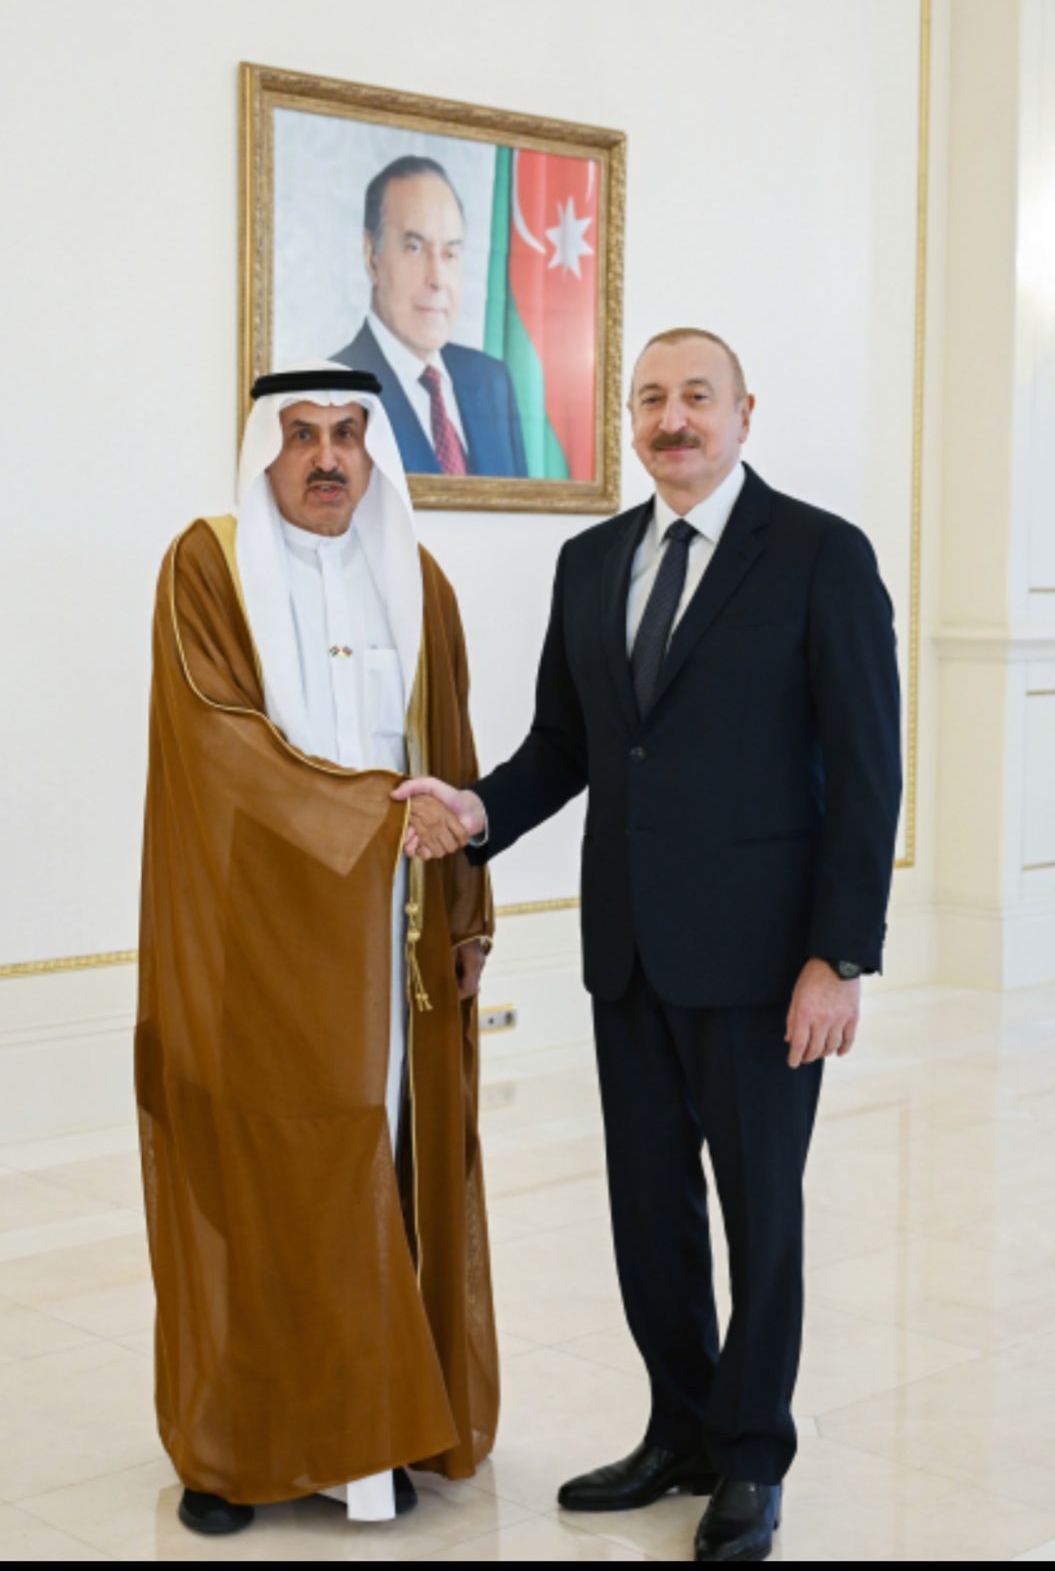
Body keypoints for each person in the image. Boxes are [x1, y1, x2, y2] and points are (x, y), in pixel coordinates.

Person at [393, 328, 902, 1563]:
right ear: (628, 420)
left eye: (695, 397)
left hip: (766, 965)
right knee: (648, 1213)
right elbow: (566, 745)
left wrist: (836, 956)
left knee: (759, 1220)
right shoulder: (591, 561)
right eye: (649, 399)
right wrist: (475, 811)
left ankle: (750, 1455)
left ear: (743, 412)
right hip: (627, 952)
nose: (671, 419)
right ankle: (679, 1428)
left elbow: (868, 770)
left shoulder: (820, 555)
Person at [135, 362, 498, 1537]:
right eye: (302, 435)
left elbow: (451, 752)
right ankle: (234, 1448)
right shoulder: (207, 567)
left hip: (391, 947)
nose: (328, 457)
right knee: (254, 1181)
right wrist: (373, 819)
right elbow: (218, 741)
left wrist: (465, 914)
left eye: (347, 433)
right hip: (259, 943)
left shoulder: (418, 579)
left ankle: (371, 1435)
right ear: (266, 449)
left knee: (377, 1169)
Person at [331, 155, 527, 477]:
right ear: (371, 257)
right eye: (415, 248)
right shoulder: (332, 393)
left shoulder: (493, 383)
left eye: (450, 253)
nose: (437, 279)